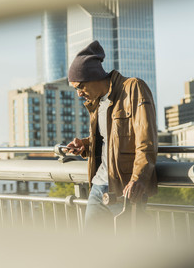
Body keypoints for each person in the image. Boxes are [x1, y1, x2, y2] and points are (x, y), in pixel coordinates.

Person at [66, 40, 158, 233]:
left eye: (79, 87)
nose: (78, 94)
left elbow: (146, 139)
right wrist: (85, 145)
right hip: (98, 186)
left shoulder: (133, 88)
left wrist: (138, 178)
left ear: (93, 76)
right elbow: (110, 140)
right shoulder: (97, 103)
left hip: (125, 189)